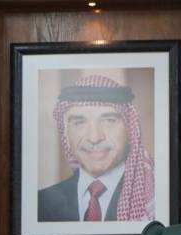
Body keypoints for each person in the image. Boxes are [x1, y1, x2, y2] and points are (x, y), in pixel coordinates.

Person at [38, 74, 154, 222]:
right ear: (66, 133)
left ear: (129, 129)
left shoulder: (154, 200)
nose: (94, 138)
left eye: (109, 121)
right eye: (79, 123)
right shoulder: (41, 204)